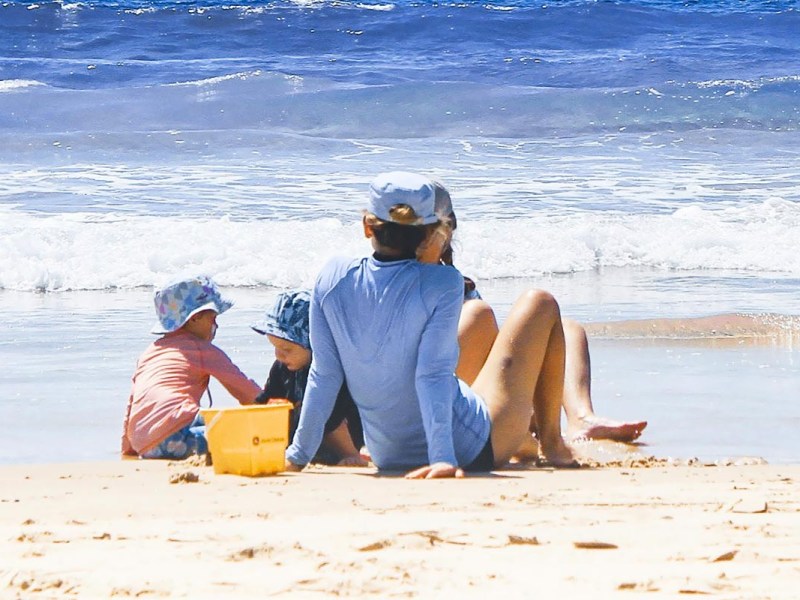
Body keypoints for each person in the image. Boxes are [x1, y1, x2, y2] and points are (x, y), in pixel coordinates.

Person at [285, 171, 577, 478]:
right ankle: (553, 443)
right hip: (472, 448)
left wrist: (297, 455)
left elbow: (325, 373)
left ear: (366, 226)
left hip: (388, 455)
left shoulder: (332, 276)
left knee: (473, 341)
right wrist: (443, 458)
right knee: (540, 303)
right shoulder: (443, 282)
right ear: (431, 233)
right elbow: (432, 374)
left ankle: (527, 443)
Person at [428, 179, 647, 444]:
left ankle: (581, 417)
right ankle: (544, 432)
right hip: (446, 396)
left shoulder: (458, 283)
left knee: (567, 328)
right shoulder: (417, 286)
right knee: (482, 317)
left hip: (476, 385)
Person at [121, 275, 262, 460]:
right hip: (177, 436)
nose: (216, 325)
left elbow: (132, 403)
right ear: (195, 318)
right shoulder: (200, 349)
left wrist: (128, 448)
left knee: (207, 419)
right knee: (244, 429)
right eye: (213, 318)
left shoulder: (149, 353)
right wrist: (271, 410)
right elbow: (243, 389)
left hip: (144, 444)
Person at [251, 290, 367, 466]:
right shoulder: (281, 368)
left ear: (313, 343)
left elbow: (339, 408)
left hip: (341, 425)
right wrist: (269, 406)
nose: (279, 355)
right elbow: (263, 401)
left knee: (321, 411)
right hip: (304, 432)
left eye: (287, 349)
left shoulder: (329, 370)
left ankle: (351, 454)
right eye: (275, 347)